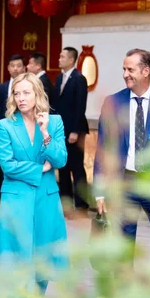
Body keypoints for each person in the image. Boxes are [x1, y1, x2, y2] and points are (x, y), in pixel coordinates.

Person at [93, 48, 150, 274]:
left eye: (130, 69)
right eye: (124, 69)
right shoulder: (112, 103)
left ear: (146, 71)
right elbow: (103, 149)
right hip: (124, 184)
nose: (125, 74)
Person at [0, 72, 68, 294]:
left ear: (38, 94)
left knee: (43, 252)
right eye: (17, 94)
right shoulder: (5, 125)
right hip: (15, 197)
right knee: (16, 252)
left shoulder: (54, 122)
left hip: (46, 196)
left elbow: (61, 159)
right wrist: (41, 169)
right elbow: (8, 165)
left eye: (26, 93)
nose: (21, 98)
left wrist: (45, 132)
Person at [53, 46, 90, 215]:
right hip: (61, 131)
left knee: (77, 167)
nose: (59, 59)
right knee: (63, 167)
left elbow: (80, 106)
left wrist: (75, 131)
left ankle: (82, 205)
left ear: (70, 60)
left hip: (75, 131)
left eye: (62, 57)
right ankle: (66, 204)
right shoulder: (60, 77)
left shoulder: (79, 78)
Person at [0, 54, 27, 192]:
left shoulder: (28, 87)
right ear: (8, 68)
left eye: (18, 66)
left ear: (24, 68)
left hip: (23, 133)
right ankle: (2, 203)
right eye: (13, 66)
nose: (15, 69)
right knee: (3, 166)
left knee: (20, 165)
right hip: (4, 133)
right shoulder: (3, 87)